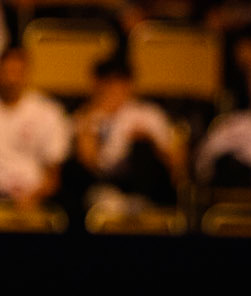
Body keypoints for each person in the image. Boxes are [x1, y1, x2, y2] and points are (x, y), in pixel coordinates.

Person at [70, 55, 183, 215]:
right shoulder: (87, 117)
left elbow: (176, 161)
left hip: (145, 184)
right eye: (108, 83)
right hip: (105, 184)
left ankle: (143, 203)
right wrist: (93, 119)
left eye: (120, 82)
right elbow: (88, 160)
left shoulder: (148, 114)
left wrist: (149, 142)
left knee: (142, 147)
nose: (114, 89)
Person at [0, 45, 71, 212]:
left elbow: (54, 175)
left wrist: (34, 196)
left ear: (27, 74)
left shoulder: (48, 112)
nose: (11, 80)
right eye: (7, 72)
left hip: (34, 192)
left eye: (17, 72)